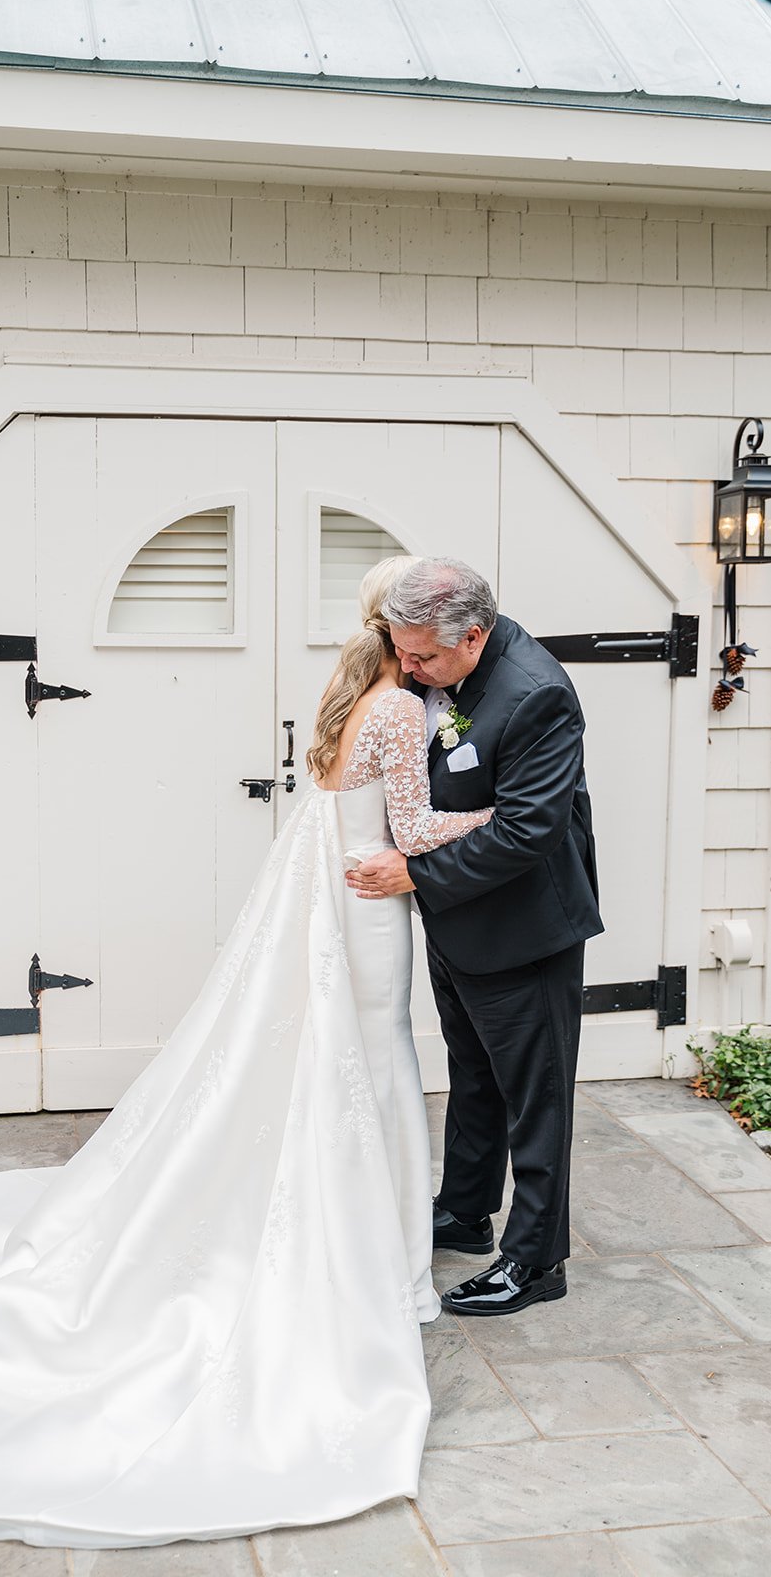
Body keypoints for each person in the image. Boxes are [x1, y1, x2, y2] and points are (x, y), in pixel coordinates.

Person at [0, 556, 491, 1550]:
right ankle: (393, 1269)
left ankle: (388, 1251)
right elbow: (409, 833)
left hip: (336, 910)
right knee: (380, 1076)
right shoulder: (405, 715)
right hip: (366, 920)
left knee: (351, 1081)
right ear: (413, 633)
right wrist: (495, 814)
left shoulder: (350, 696)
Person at [347, 558, 602, 1317]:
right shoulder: (437, 661)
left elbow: (528, 830)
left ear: (475, 635)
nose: (409, 668)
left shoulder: (536, 694)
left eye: (422, 656)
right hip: (460, 921)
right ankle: (464, 1211)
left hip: (522, 927)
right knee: (474, 1076)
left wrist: (416, 877)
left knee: (536, 1097)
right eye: (402, 649)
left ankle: (534, 1260)